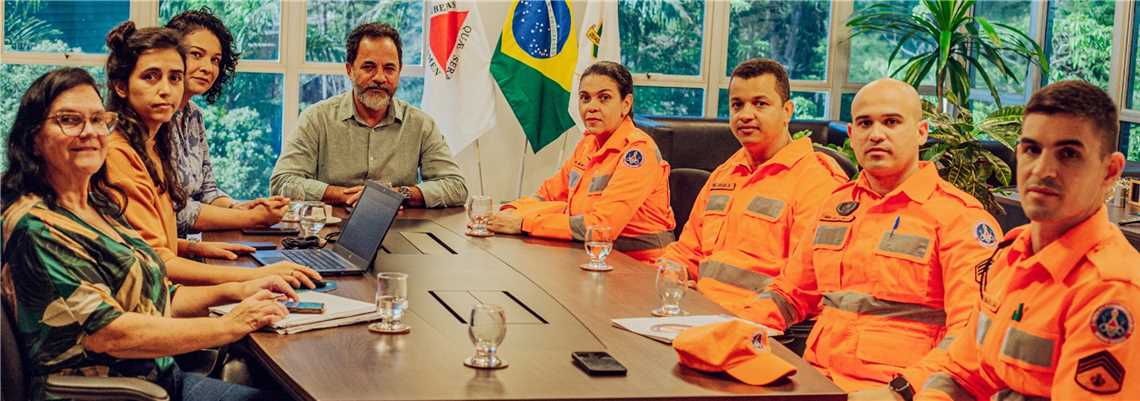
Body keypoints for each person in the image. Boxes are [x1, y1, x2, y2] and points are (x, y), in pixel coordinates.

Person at [1, 67, 291, 401]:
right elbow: (110, 334)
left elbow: (157, 295)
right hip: (114, 392)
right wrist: (231, 324)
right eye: (69, 120)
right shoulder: (36, 227)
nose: (89, 132)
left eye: (98, 119)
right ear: (33, 138)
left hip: (161, 378)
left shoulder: (97, 205)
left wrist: (239, 289)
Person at [737, 78, 1002, 395]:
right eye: (865, 123)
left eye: (891, 122)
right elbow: (789, 294)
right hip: (816, 382)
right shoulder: (836, 205)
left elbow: (971, 338)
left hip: (899, 391)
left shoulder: (960, 218)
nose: (877, 134)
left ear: (921, 132)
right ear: (852, 134)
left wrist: (901, 390)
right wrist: (737, 330)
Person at [916, 81, 1139, 401]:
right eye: (1032, 149)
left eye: (1068, 154)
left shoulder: (1111, 290)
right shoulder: (1012, 254)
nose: (1043, 170)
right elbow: (961, 373)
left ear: (1110, 171)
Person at [101, 22, 320, 287]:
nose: (165, 90)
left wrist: (193, 248)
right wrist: (256, 274)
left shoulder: (156, 140)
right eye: (151, 76)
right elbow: (157, 260)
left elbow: (141, 240)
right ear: (121, 86)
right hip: (147, 296)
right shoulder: (119, 152)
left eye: (174, 78)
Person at [656, 58, 848, 314]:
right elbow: (687, 249)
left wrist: (743, 321)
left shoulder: (817, 179)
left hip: (765, 327)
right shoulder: (725, 173)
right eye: (737, 105)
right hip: (698, 311)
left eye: (760, 103)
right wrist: (670, 273)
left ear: (787, 111)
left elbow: (807, 280)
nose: (746, 115)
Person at [487, 61, 676, 263]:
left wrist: (524, 223)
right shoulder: (588, 144)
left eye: (604, 98)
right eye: (585, 98)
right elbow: (547, 196)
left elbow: (602, 227)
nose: (592, 107)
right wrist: (507, 213)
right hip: (591, 255)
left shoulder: (638, 153)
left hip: (639, 266)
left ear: (626, 104)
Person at [270, 22, 467, 208]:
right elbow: (282, 181)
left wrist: (399, 195)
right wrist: (340, 194)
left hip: (399, 231)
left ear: (399, 72)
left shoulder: (421, 124)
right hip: (327, 231)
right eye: (369, 67)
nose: (380, 78)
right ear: (350, 70)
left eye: (389, 68)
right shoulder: (317, 119)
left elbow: (456, 186)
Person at [165, 7, 289, 237]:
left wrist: (239, 207)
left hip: (181, 248)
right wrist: (250, 218)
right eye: (196, 54)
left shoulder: (194, 115)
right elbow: (173, 213)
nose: (207, 68)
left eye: (215, 60)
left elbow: (208, 191)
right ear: (171, 54)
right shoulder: (155, 118)